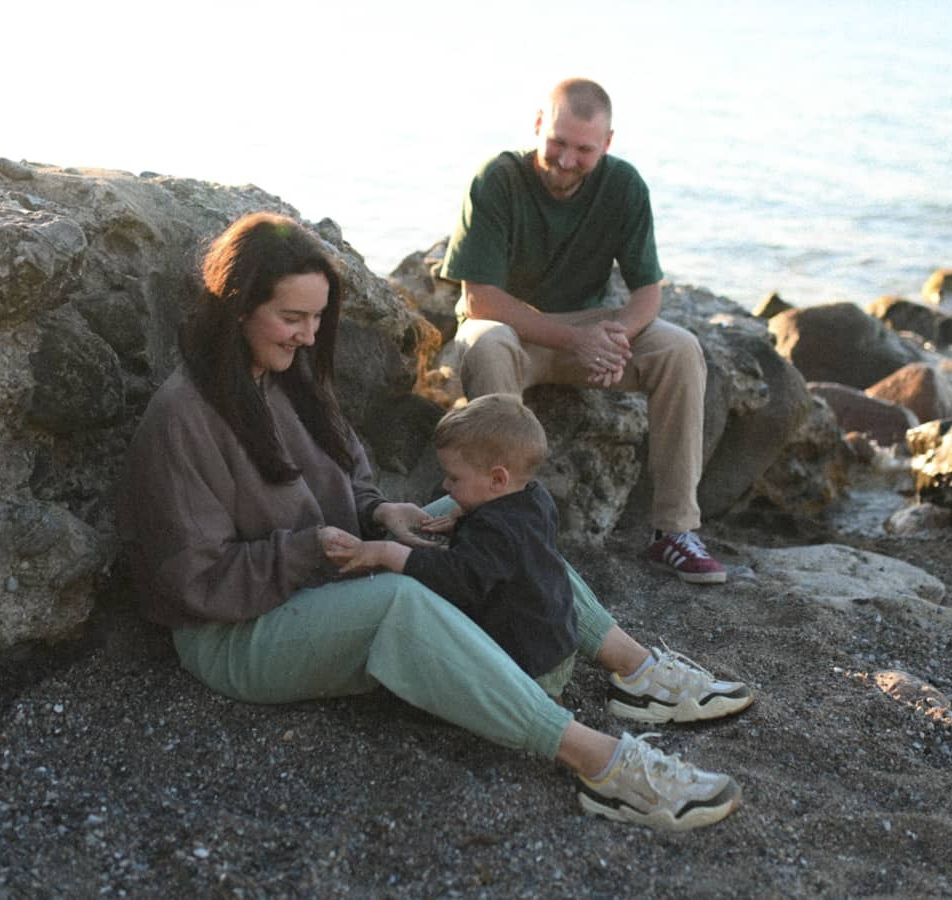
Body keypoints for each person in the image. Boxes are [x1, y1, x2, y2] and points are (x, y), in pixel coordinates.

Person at [117, 211, 752, 832]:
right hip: (233, 632)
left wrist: (378, 512)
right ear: (237, 308)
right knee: (398, 602)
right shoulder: (184, 417)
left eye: (316, 318)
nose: (309, 336)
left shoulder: (288, 375)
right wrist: (310, 548)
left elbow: (351, 477)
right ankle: (602, 763)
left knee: (498, 513)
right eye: (292, 318)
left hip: (320, 574)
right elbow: (191, 580)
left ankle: (636, 672)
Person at [440, 77, 725, 585]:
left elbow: (647, 293)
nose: (567, 160)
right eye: (557, 142)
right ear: (537, 125)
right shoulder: (497, 179)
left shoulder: (624, 186)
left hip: (587, 332)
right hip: (512, 329)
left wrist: (615, 337)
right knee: (487, 342)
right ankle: (503, 525)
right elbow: (480, 298)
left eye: (584, 150)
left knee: (680, 348)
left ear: (607, 143)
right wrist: (578, 340)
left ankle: (674, 531)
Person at [323, 392, 579, 698]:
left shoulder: (494, 530)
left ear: (498, 480)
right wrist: (464, 520)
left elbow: (457, 579)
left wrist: (388, 552)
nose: (445, 486)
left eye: (454, 478)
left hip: (527, 662)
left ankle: (535, 705)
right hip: (558, 646)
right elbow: (510, 540)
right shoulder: (535, 496)